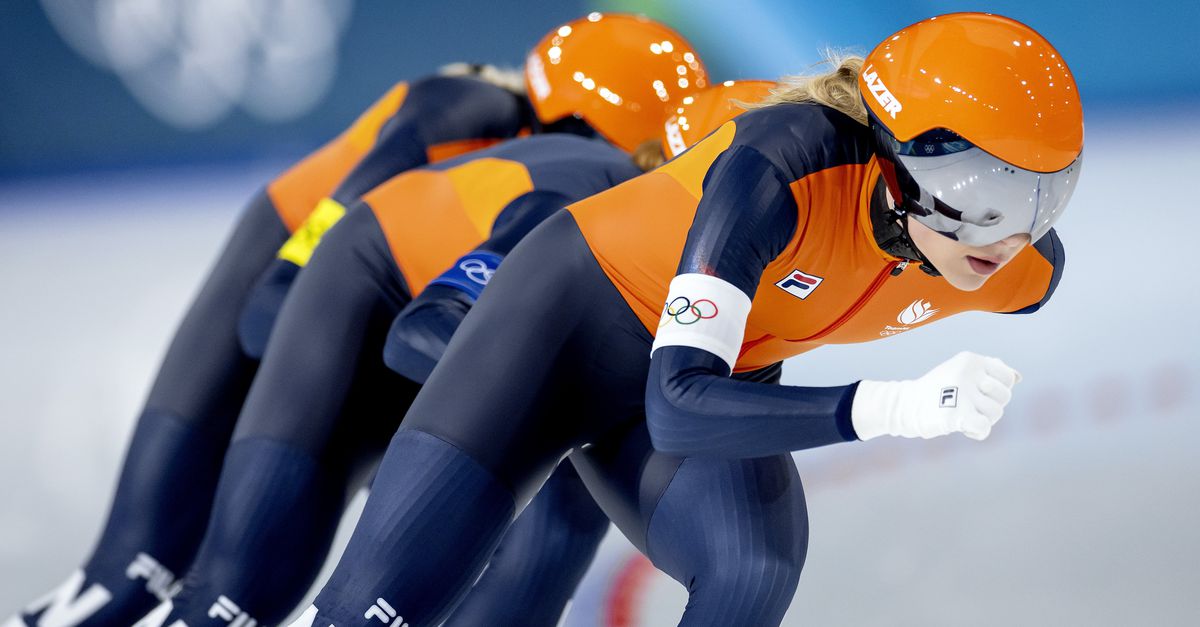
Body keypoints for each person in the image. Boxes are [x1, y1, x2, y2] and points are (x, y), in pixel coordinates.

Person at [290, 12, 1080, 627]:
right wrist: (897, 405)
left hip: (708, 373)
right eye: (976, 196)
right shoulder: (782, 166)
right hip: (562, 336)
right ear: (899, 161)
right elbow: (675, 401)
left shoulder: (1016, 269)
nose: (1007, 235)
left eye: (1041, 197)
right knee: (375, 610)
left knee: (752, 566)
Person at [122, 14, 711, 627]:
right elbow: (273, 307)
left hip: (403, 317)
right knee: (166, 577)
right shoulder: (463, 114)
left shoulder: (605, 203)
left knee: (543, 506)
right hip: (320, 275)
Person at [5, 62, 547, 627]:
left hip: (356, 320)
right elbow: (274, 301)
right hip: (285, 284)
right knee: (136, 571)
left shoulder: (559, 161)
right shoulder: (470, 105)